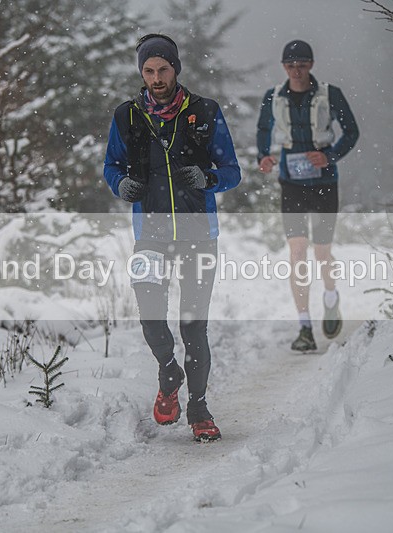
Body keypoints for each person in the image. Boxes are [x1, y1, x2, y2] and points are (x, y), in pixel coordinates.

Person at [103, 34, 241, 442]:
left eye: (163, 69)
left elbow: (232, 170)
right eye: (149, 70)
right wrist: (120, 183)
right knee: (151, 317)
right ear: (141, 73)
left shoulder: (205, 112)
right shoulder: (127, 116)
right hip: (151, 235)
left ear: (175, 69)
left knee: (194, 327)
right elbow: (111, 164)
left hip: (200, 234)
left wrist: (209, 178)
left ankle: (198, 408)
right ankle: (169, 372)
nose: (156, 77)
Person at [257, 39, 359, 352]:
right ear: (284, 67)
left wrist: (330, 155)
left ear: (311, 64)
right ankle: (304, 327)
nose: (297, 70)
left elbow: (351, 131)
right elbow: (263, 131)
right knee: (298, 252)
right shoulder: (273, 96)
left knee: (322, 253)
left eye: (302, 64)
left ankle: (331, 298)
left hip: (325, 180)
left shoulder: (330, 94)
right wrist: (264, 156)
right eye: (291, 65)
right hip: (291, 182)